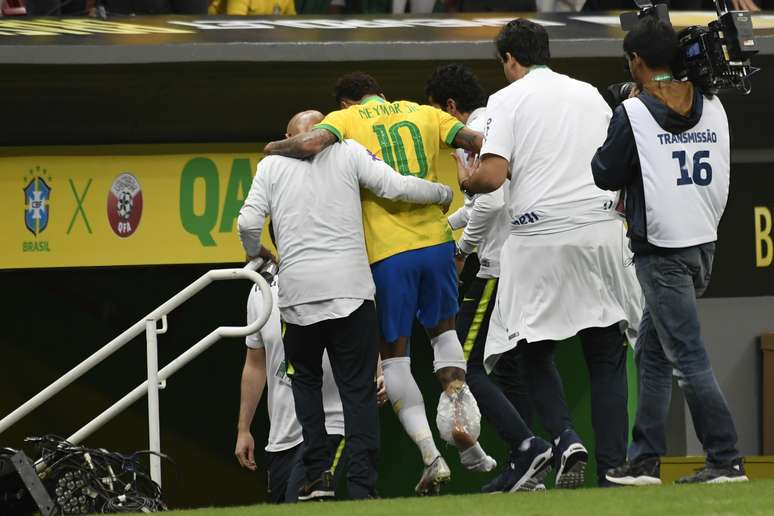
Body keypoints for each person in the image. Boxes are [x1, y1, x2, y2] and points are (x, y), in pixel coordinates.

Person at [263, 74, 494, 495]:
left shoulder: (346, 121)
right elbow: (475, 139)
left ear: (348, 103)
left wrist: (275, 147)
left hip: (389, 255)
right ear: (382, 93)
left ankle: (431, 454)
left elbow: (311, 144)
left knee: (395, 361)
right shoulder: (424, 112)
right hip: (437, 243)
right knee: (444, 334)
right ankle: (467, 432)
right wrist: (468, 174)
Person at [455, 18, 643, 489]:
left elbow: (493, 176)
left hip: (540, 237)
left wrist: (467, 181)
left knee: (532, 352)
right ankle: (615, 469)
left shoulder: (505, 99)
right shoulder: (589, 94)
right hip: (602, 230)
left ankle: (563, 437)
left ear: (510, 60)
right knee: (606, 355)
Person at [238, 110, 453, 500]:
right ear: (323, 133)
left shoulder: (270, 166)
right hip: (351, 295)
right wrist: (441, 194)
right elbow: (399, 187)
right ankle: (361, 486)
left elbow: (248, 223)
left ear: (288, 137)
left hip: (298, 299)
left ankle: (317, 476)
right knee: (358, 393)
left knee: (305, 383)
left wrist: (259, 254)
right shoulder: (349, 151)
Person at [592, 17, 747, 486]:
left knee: (686, 358)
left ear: (636, 62)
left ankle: (725, 457)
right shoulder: (713, 103)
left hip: (661, 250)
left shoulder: (634, 112)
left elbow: (603, 171)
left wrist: (626, 107)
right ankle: (645, 458)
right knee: (654, 355)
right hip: (703, 243)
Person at [425, 64, 539, 492]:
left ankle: (529, 447)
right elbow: (481, 208)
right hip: (518, 261)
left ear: (450, 107)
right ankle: (531, 467)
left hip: (495, 266)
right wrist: (443, 225)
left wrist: (459, 251)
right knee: (510, 367)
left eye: (438, 115)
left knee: (467, 365)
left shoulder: (471, 134)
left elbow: (490, 206)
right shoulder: (495, 122)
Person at [235, 260, 349, 503]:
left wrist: (379, 370)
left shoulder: (333, 274)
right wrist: (244, 429)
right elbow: (255, 364)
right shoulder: (259, 290)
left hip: (329, 426)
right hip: (281, 439)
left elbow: (361, 333)